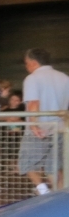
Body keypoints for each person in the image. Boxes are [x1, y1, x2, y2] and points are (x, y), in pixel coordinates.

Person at [18, 48, 69, 195]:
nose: (26, 66)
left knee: (26, 164)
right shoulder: (64, 78)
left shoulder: (33, 78)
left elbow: (34, 103)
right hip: (59, 128)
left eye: (26, 63)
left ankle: (44, 193)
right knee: (53, 167)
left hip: (40, 129)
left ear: (33, 63)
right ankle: (59, 201)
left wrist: (33, 125)